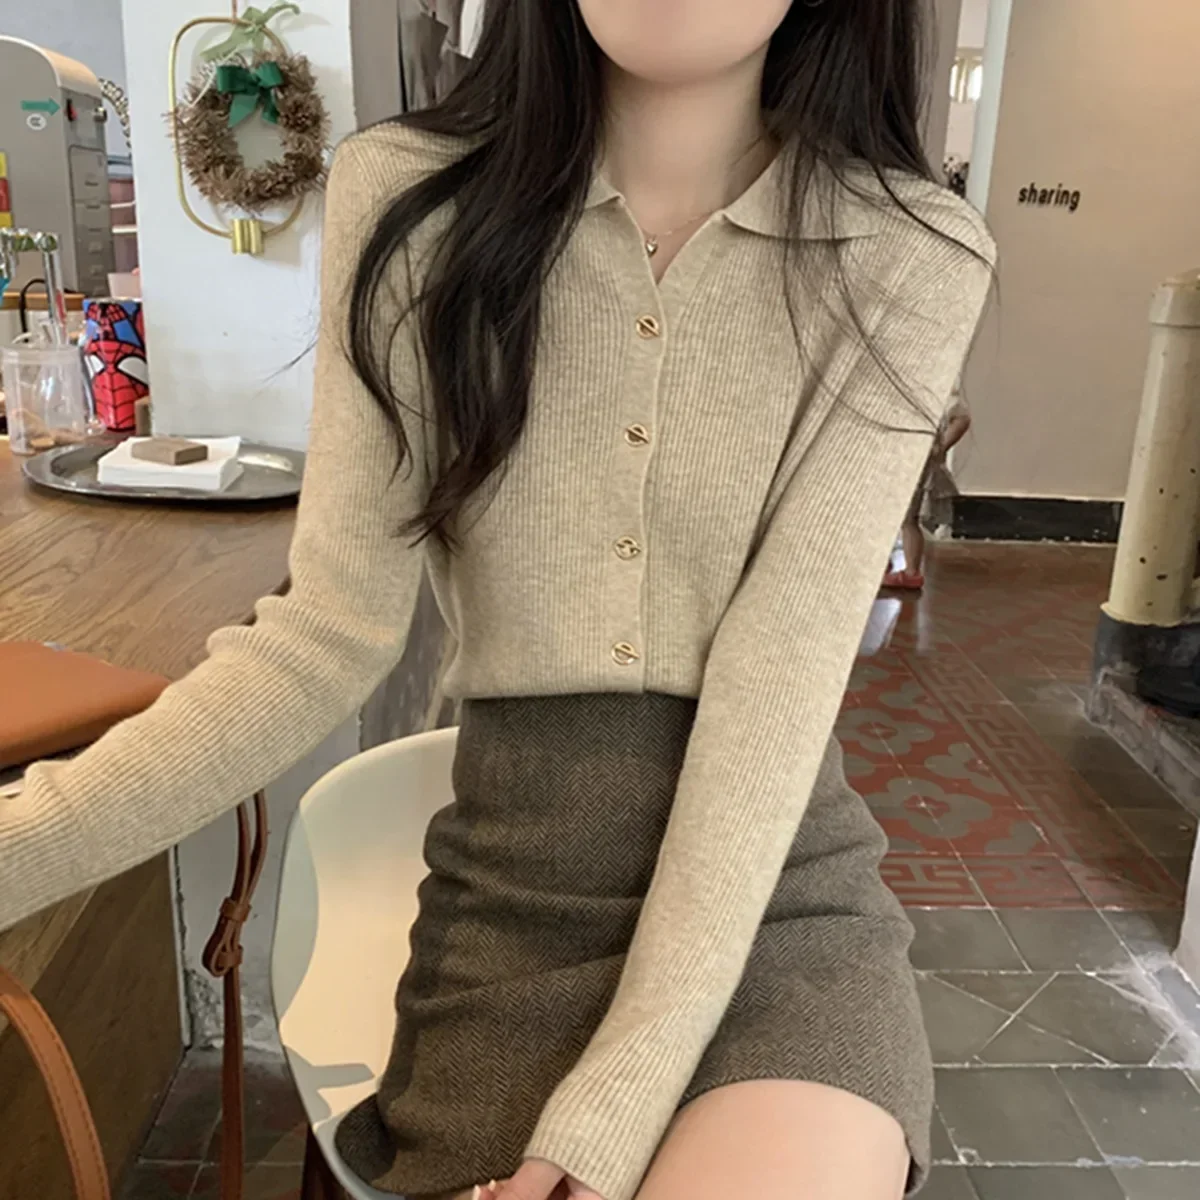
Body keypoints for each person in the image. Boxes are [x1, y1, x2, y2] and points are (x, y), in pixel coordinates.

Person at [0, 3, 993, 1199]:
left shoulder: (908, 251)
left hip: (776, 908)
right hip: (514, 906)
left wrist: (617, 1098)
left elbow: (779, 681)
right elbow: (321, 639)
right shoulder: (412, 200)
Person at [883, 397, 972, 591]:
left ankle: (911, 572)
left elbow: (962, 418)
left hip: (917, 465)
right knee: (895, 517)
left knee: (907, 520)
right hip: (904, 462)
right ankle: (887, 563)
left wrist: (941, 446)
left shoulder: (943, 399)